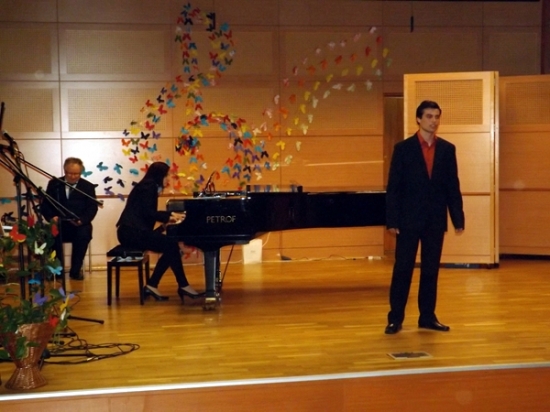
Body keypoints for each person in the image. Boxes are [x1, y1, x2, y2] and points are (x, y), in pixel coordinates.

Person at [384, 100, 465, 335]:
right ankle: (395, 318)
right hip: (408, 220)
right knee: (403, 269)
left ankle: (427, 317)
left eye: (437, 116)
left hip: (434, 220)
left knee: (430, 270)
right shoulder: (403, 149)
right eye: (429, 116)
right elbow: (394, 188)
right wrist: (392, 220)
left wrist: (458, 218)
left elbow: (452, 186)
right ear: (418, 119)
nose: (434, 121)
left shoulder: (447, 149)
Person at [116, 161, 202, 302]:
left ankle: (154, 285)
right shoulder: (148, 187)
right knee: (171, 245)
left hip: (132, 231)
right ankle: (181, 285)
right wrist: (169, 216)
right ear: (159, 175)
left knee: (170, 246)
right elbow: (149, 213)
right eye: (166, 175)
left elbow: (145, 213)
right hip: (131, 233)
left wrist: (167, 220)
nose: (168, 179)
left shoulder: (147, 185)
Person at [41, 157, 99, 281]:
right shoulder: (55, 184)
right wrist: (52, 217)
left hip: (79, 224)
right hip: (60, 223)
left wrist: (82, 220)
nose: (73, 176)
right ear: (65, 171)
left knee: (84, 234)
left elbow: (92, 208)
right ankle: (58, 270)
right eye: (70, 173)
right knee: (51, 234)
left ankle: (75, 271)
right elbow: (45, 205)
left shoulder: (87, 187)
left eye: (76, 173)